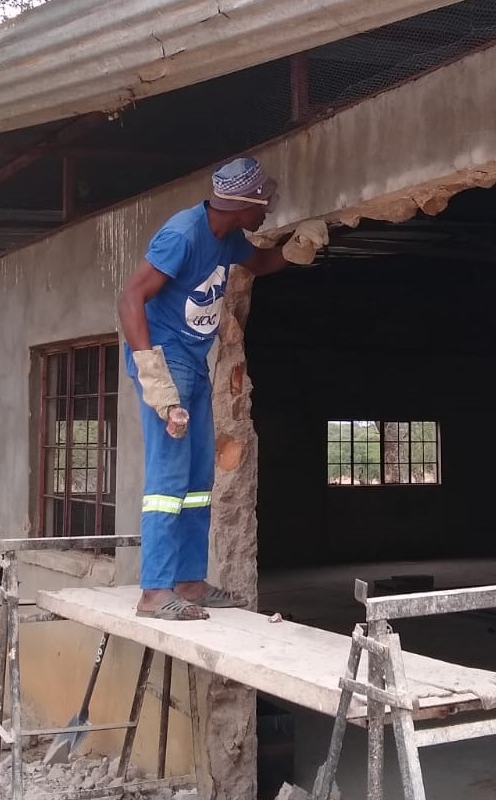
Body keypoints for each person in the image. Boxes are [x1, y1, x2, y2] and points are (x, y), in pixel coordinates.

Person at [117, 156, 328, 620]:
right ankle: (155, 592)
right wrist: (153, 377)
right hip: (166, 364)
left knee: (197, 481)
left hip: (195, 363)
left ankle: (189, 582)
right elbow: (131, 297)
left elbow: (263, 262)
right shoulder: (183, 235)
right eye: (265, 203)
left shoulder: (227, 238)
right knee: (167, 482)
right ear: (244, 203)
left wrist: (298, 248)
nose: (269, 210)